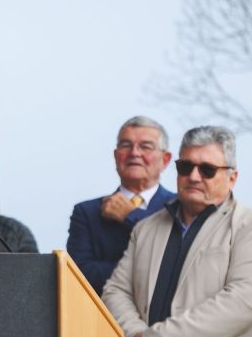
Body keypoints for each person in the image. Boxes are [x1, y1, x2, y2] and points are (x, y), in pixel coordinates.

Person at [102, 126, 252, 337]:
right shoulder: (146, 229)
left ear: (232, 177)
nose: (193, 176)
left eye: (207, 169)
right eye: (186, 166)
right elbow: (116, 292)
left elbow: (242, 302)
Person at [66, 116, 175, 296]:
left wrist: (131, 216)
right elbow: (80, 274)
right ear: (116, 156)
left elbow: (176, 266)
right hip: (103, 316)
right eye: (126, 145)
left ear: (165, 159)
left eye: (145, 146)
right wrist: (146, 272)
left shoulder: (180, 207)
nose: (134, 153)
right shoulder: (87, 212)